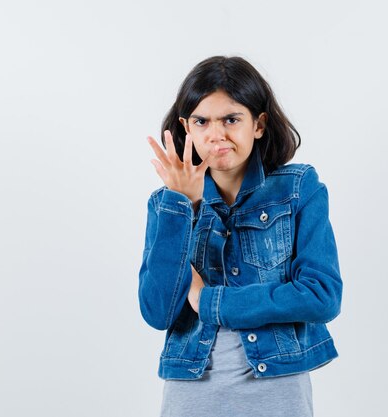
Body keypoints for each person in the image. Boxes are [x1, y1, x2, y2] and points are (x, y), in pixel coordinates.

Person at [138, 56, 342, 417]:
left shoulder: (297, 189)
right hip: (191, 389)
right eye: (202, 121)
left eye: (231, 119)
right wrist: (180, 204)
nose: (216, 135)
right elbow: (157, 312)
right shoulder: (166, 206)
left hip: (277, 387)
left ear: (258, 124)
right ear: (187, 128)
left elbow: (321, 296)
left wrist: (211, 302)